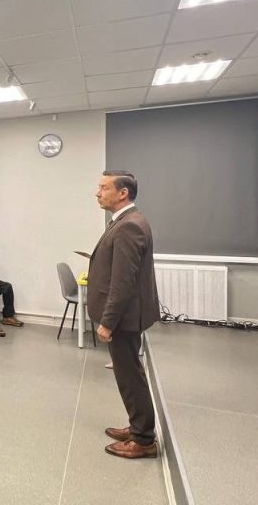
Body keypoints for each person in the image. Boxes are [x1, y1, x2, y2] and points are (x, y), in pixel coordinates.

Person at [87, 170, 160, 459]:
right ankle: (137, 426)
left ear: (122, 193)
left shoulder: (129, 226)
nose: (97, 192)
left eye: (104, 188)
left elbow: (123, 282)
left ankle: (143, 439)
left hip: (124, 319)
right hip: (127, 316)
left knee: (130, 376)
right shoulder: (125, 221)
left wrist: (108, 322)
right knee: (129, 374)